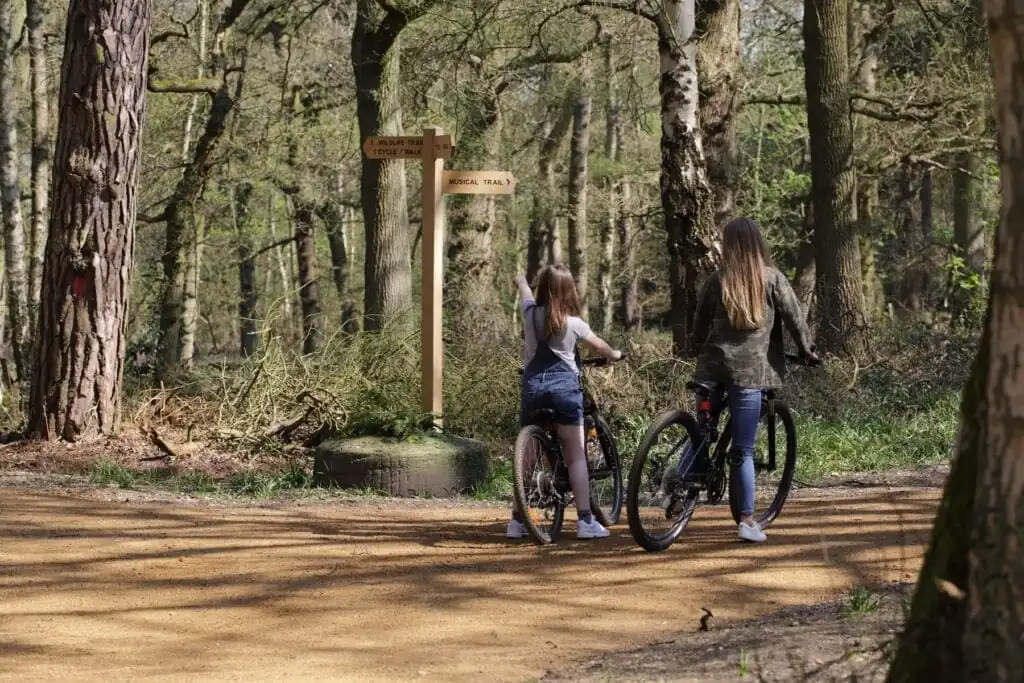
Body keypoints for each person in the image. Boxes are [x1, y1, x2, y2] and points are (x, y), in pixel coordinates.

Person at [691, 217, 820, 543]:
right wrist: (808, 350)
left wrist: (695, 348)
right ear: (758, 243)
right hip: (749, 374)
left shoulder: (716, 280)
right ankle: (747, 521)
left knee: (701, 434)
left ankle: (680, 485)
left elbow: (699, 323)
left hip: (710, 369)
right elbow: (795, 318)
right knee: (743, 451)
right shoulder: (772, 279)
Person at [507, 264, 624, 540]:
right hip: (564, 393)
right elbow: (601, 347)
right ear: (568, 291)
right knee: (576, 458)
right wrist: (615, 354)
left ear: (542, 289)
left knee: (526, 460)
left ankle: (516, 521)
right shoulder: (575, 324)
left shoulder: (529, 314)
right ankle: (585, 521)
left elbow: (524, 291)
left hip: (533, 391)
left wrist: (522, 280)